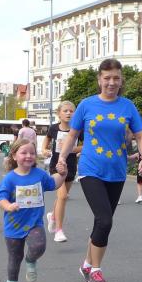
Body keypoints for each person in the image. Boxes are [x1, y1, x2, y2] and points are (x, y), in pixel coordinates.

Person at [56, 58, 142, 282]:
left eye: (116, 78)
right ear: (99, 80)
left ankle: (87, 264)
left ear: (121, 80)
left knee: (102, 222)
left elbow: (140, 136)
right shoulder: (86, 105)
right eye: (107, 78)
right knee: (104, 219)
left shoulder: (127, 106)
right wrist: (62, 158)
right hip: (91, 170)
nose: (111, 82)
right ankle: (96, 271)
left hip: (116, 172)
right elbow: (72, 135)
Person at [0, 138, 65, 282]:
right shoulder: (10, 178)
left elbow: (53, 183)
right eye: (24, 153)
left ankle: (31, 260)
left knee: (39, 246)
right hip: (14, 225)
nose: (28, 156)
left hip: (34, 223)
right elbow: (0, 198)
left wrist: (63, 174)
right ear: (14, 156)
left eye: (32, 153)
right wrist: (8, 206)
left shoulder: (39, 175)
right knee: (15, 256)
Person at [42, 101, 82, 242]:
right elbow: (47, 139)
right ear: (59, 113)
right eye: (65, 111)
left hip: (71, 166)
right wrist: (44, 149)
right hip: (56, 166)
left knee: (61, 198)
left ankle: (52, 216)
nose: (68, 113)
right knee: (63, 196)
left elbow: (86, 145)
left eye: (71, 111)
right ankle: (59, 230)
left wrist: (72, 149)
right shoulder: (53, 128)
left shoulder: (78, 129)